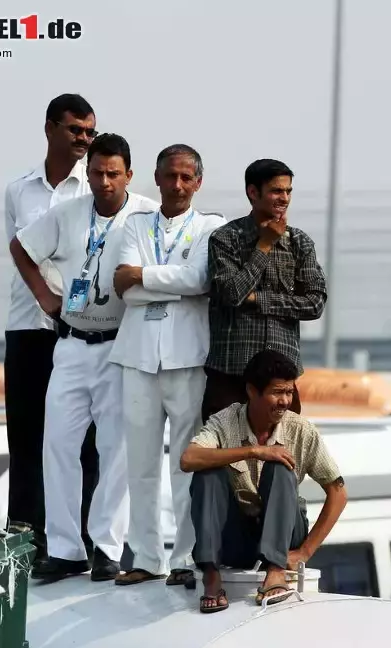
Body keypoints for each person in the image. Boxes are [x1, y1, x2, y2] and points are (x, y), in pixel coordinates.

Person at [9, 133, 159, 582]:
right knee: (57, 444)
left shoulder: (147, 214)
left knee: (115, 449)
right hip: (71, 343)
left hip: (119, 345)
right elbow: (21, 247)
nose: (105, 181)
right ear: (87, 173)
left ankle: (107, 549)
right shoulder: (68, 213)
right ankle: (65, 548)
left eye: (114, 173)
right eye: (96, 172)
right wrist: (45, 298)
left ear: (128, 175)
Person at [108, 144, 226, 586]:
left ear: (197, 182)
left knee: (186, 462)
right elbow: (124, 288)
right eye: (169, 176)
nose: (177, 185)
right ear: (155, 179)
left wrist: (144, 275)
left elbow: (200, 280)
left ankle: (186, 558)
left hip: (186, 357)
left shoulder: (211, 226)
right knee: (138, 462)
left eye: (186, 177)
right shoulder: (134, 224)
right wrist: (161, 283)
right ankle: (144, 556)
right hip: (138, 355)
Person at [2, 93, 101, 562]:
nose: (83, 139)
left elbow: (93, 259)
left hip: (78, 332)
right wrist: (45, 297)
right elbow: (20, 251)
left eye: (89, 132)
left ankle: (83, 543)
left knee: (82, 444)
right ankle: (23, 546)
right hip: (27, 327)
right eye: (74, 130)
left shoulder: (95, 188)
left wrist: (71, 307)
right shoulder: (19, 190)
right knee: (25, 439)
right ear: (50, 129)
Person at [180, 350, 348, 613]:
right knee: (208, 472)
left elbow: (338, 493)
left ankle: (276, 570)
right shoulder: (226, 421)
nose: (284, 401)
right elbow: (189, 459)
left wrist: (305, 552)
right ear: (251, 391)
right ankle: (211, 576)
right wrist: (254, 451)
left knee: (280, 468)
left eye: (289, 393)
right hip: (238, 540)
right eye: (277, 392)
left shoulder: (300, 429)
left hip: (285, 538)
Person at [203, 159, 327, 421]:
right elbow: (233, 293)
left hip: (282, 381)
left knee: (281, 457)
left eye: (288, 191)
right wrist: (265, 246)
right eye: (276, 191)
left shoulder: (299, 243)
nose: (284, 198)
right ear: (253, 192)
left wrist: (259, 298)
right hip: (231, 374)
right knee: (222, 458)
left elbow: (315, 304)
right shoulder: (225, 239)